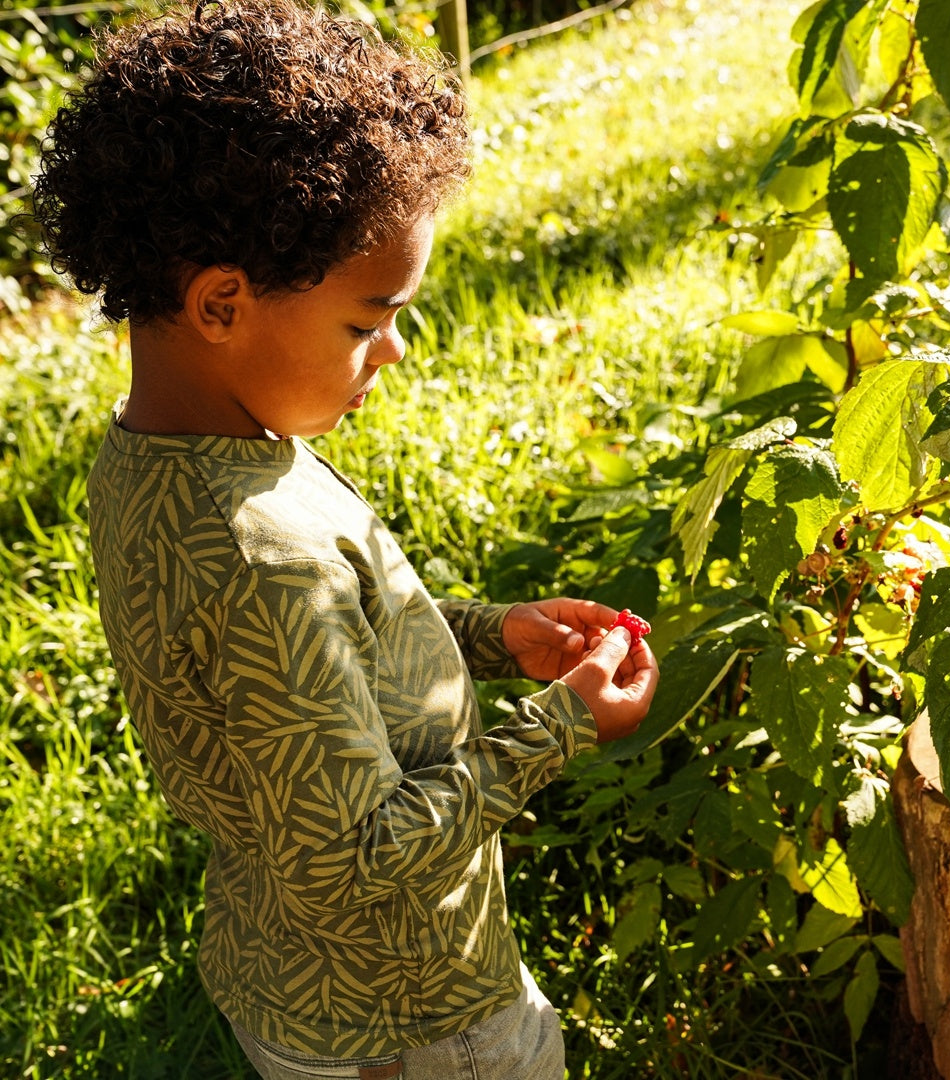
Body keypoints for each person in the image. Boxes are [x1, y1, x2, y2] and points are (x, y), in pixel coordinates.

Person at [31, 1, 659, 1077]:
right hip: (413, 1023)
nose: (394, 349)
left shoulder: (159, 458)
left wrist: (485, 632)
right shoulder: (259, 553)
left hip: (298, 973)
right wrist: (558, 728)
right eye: (367, 322)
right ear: (223, 304)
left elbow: (311, 660)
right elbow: (361, 862)